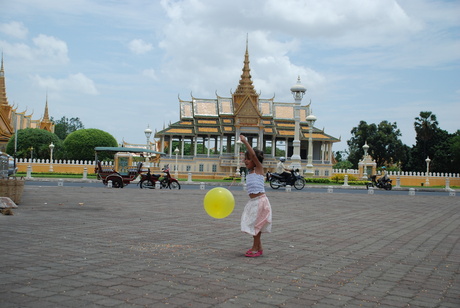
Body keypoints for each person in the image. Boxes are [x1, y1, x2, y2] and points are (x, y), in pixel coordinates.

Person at [239, 135, 272, 257]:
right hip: (253, 202)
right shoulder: (251, 172)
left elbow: (253, 155)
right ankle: (259, 247)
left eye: (248, 159)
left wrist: (245, 142)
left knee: (256, 226)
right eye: (244, 159)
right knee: (255, 225)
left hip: (260, 201)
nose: (245, 160)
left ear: (255, 160)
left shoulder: (259, 169)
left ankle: (255, 248)